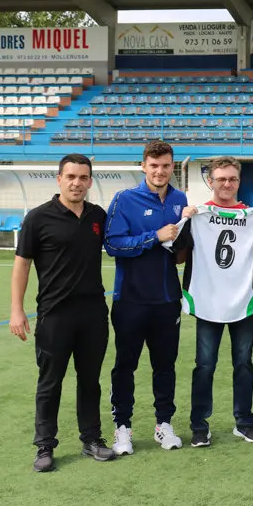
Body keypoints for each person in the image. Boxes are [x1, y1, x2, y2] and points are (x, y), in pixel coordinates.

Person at [10, 154, 115, 472]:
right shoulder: (38, 218)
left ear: (90, 181)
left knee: (90, 381)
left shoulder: (98, 215)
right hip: (54, 315)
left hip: (93, 314)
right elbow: (22, 265)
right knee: (50, 382)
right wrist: (17, 309)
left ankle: (92, 440)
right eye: (71, 176)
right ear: (59, 179)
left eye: (83, 177)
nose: (77, 183)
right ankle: (44, 446)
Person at [176, 157, 253, 447]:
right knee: (204, 365)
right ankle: (199, 425)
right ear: (211, 181)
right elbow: (179, 257)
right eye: (221, 179)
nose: (227, 184)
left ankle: (244, 422)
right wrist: (185, 220)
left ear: (239, 181)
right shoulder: (198, 214)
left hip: (243, 301)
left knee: (243, 364)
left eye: (232, 179)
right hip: (209, 300)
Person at [104, 141, 188, 456]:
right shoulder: (124, 200)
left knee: (165, 365)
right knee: (125, 365)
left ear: (172, 166)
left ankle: (163, 423)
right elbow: (113, 245)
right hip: (130, 299)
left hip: (167, 300)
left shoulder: (180, 199)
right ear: (143, 167)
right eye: (154, 166)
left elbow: (180, 249)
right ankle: (122, 427)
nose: (160, 171)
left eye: (165, 165)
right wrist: (155, 236)